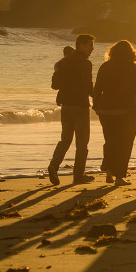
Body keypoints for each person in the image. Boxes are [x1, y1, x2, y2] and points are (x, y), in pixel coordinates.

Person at [92, 40, 136, 186]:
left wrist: (96, 106)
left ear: (112, 52)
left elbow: (97, 88)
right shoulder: (133, 68)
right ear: (131, 53)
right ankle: (119, 177)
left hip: (106, 112)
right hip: (127, 113)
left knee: (110, 142)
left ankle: (108, 172)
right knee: (124, 144)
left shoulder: (105, 66)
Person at [47, 34, 96, 185]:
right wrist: (100, 100)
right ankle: (78, 176)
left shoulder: (63, 62)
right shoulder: (86, 64)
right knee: (82, 144)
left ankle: (54, 166)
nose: (92, 49)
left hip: (66, 106)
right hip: (80, 106)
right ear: (81, 45)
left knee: (65, 140)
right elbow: (89, 87)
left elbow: (54, 85)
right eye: (90, 45)